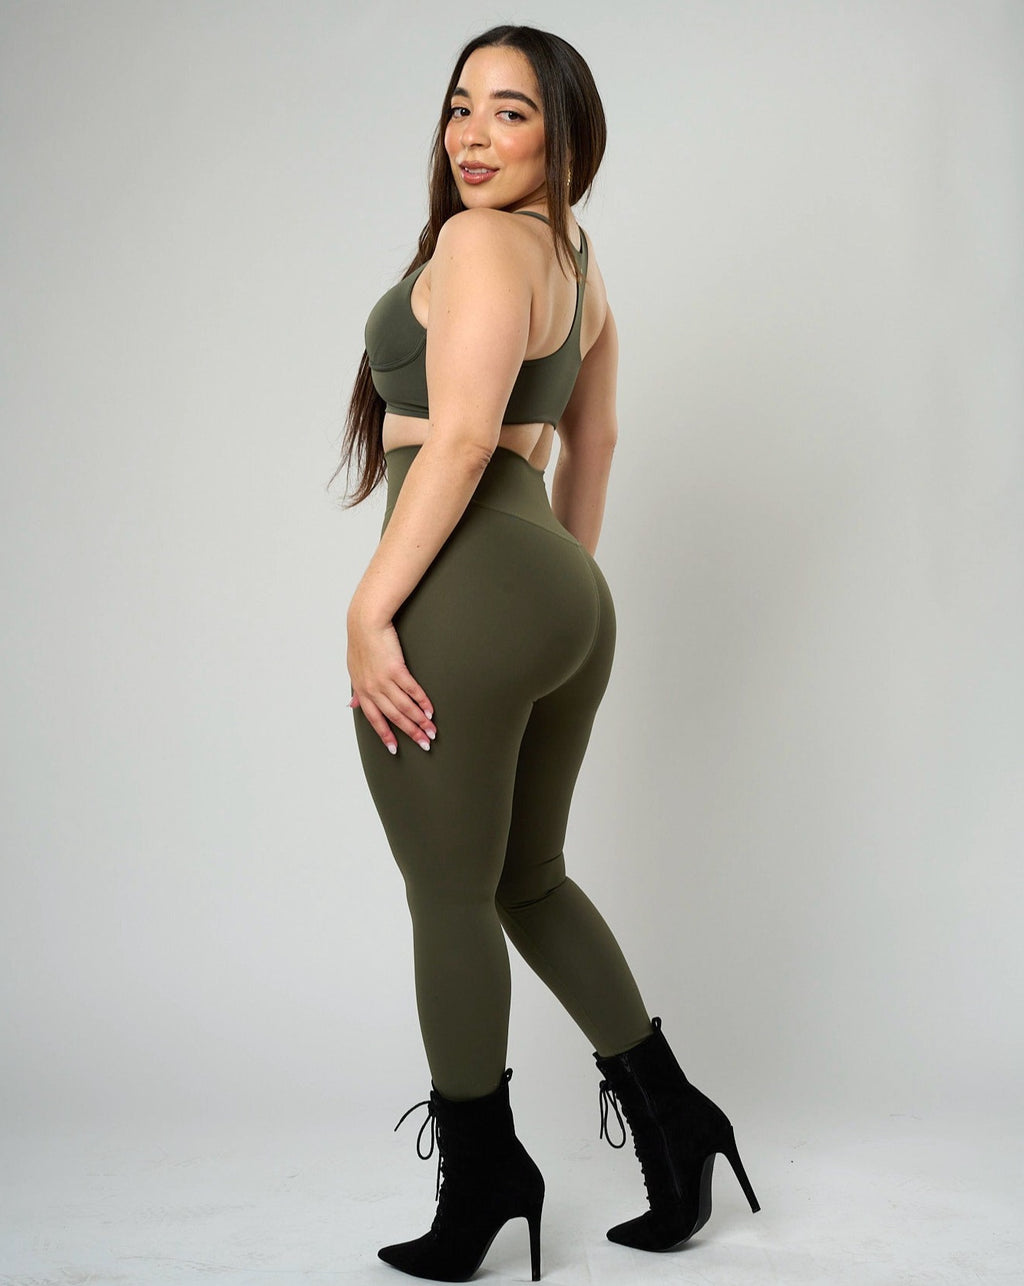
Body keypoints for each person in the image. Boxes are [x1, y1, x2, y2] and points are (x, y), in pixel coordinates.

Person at [331, 24, 760, 1283]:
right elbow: (596, 438)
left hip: (468, 581)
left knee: (451, 893)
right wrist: (561, 591)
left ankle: (482, 1182)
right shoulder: (576, 258)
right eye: (460, 105)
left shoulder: (479, 244)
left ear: (564, 137)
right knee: (529, 878)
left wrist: (369, 609)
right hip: (562, 587)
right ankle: (677, 1120)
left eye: (509, 112)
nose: (471, 135)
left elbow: (463, 441)